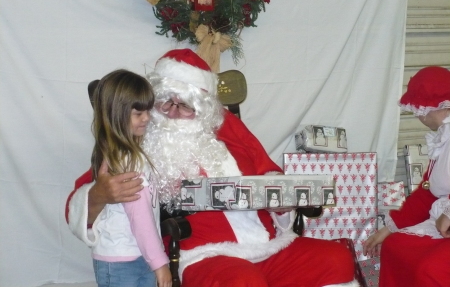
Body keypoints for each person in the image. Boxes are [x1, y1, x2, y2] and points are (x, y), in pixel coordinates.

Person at [67, 49, 357, 287]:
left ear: (203, 109)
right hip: (203, 253)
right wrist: (99, 195)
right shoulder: (138, 139)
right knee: (242, 282)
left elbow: (270, 176)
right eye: (165, 103)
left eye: (184, 106)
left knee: (335, 259)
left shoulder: (228, 129)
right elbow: (82, 197)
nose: (172, 113)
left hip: (269, 243)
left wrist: (282, 204)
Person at [363, 66, 450, 287]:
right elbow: (428, 192)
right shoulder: (443, 139)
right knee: (395, 246)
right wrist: (387, 230)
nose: (418, 114)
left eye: (418, 108)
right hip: (443, 224)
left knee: (429, 269)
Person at [83, 69, 171, 287]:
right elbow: (140, 216)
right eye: (137, 113)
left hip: (132, 255)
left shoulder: (123, 154)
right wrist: (160, 263)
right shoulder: (128, 159)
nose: (147, 118)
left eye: (148, 111)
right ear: (116, 113)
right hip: (125, 261)